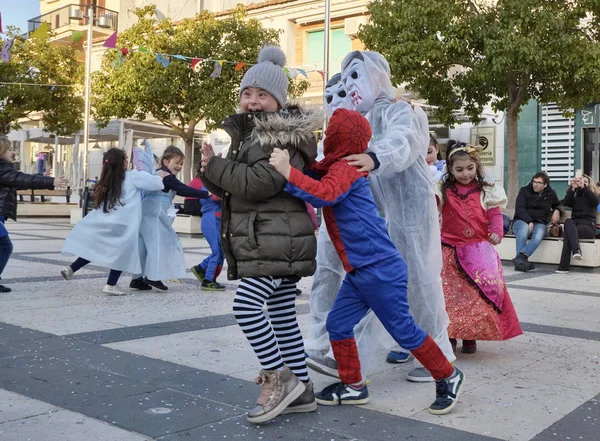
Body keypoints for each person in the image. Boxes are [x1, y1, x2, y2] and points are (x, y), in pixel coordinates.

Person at [270, 108, 465, 415]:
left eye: (330, 132)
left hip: (379, 269)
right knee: (338, 324)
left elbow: (324, 193)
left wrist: (287, 172)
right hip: (362, 270)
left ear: (338, 137)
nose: (327, 136)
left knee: (403, 330)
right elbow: (317, 176)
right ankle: (353, 386)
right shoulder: (338, 165)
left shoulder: (347, 169)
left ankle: (448, 375)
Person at [200, 46, 318, 424]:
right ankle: (303, 389)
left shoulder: (281, 135)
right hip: (266, 237)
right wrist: (208, 169)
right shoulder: (248, 137)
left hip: (275, 237)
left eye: (262, 95)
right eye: (247, 93)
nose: (253, 101)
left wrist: (217, 166)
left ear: (278, 101)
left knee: (247, 306)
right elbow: (229, 188)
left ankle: (279, 380)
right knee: (281, 313)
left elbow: (258, 184)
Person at [332, 50, 455, 382]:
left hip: (412, 214)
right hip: (381, 217)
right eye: (345, 81)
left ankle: (436, 354)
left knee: (418, 280)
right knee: (380, 281)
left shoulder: (404, 110)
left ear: (377, 76)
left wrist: (375, 156)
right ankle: (401, 342)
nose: (350, 86)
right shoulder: (365, 119)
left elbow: (403, 143)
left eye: (355, 76)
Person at [304, 73, 391, 379]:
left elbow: (324, 190)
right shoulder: (330, 144)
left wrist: (291, 178)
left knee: (379, 297)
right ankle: (328, 347)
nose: (334, 103)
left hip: (368, 229)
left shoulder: (367, 127)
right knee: (326, 280)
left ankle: (436, 363)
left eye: (340, 94)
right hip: (335, 223)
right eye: (328, 98)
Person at [436, 142, 523, 354]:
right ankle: (450, 334)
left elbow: (494, 214)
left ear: (476, 166)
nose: (465, 173)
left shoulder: (486, 190)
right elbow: (431, 209)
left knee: (476, 295)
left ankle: (470, 336)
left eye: (469, 168)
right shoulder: (443, 189)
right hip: (448, 250)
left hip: (478, 251)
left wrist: (496, 231)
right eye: (459, 169)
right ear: (450, 169)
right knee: (450, 296)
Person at [61, 148, 166, 295]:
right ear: (123, 163)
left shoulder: (106, 181)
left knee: (96, 247)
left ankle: (71, 268)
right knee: (122, 253)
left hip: (105, 223)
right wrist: (160, 176)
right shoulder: (133, 176)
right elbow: (156, 184)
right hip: (124, 226)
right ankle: (111, 284)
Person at [130, 146, 208, 291]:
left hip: (146, 211)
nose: (179, 166)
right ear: (165, 162)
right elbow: (183, 189)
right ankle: (154, 276)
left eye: (181, 164)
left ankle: (137, 278)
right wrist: (206, 194)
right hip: (155, 213)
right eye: (177, 163)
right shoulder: (166, 177)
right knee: (159, 243)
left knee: (143, 246)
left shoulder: (155, 173)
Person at [0, 137, 67, 293]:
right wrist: (51, 182)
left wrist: (41, 176)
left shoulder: (4, 169)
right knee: (5, 247)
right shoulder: (2, 169)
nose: (12, 152)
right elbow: (21, 179)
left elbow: (21, 178)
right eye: (9, 149)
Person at [512, 172, 560, 272]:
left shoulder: (550, 193)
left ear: (545, 185)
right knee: (524, 229)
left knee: (539, 234)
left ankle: (521, 258)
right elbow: (519, 208)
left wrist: (557, 210)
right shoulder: (524, 191)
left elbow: (558, 204)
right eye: (534, 181)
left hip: (539, 222)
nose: (535, 184)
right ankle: (520, 260)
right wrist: (529, 221)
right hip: (520, 221)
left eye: (539, 183)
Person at [188, 163, 226, 291]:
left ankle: (202, 269)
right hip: (211, 219)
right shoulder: (209, 185)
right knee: (217, 251)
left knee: (221, 251)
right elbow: (217, 196)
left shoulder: (213, 184)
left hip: (215, 218)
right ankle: (208, 280)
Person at [555, 174, 600, 274]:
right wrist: (572, 188)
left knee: (569, 232)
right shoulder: (576, 196)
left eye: (585, 182)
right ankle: (576, 251)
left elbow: (595, 202)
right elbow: (567, 203)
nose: (582, 183)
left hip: (588, 227)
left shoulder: (593, 196)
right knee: (568, 223)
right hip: (574, 226)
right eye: (580, 181)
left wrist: (583, 188)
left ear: (589, 185)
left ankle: (564, 267)